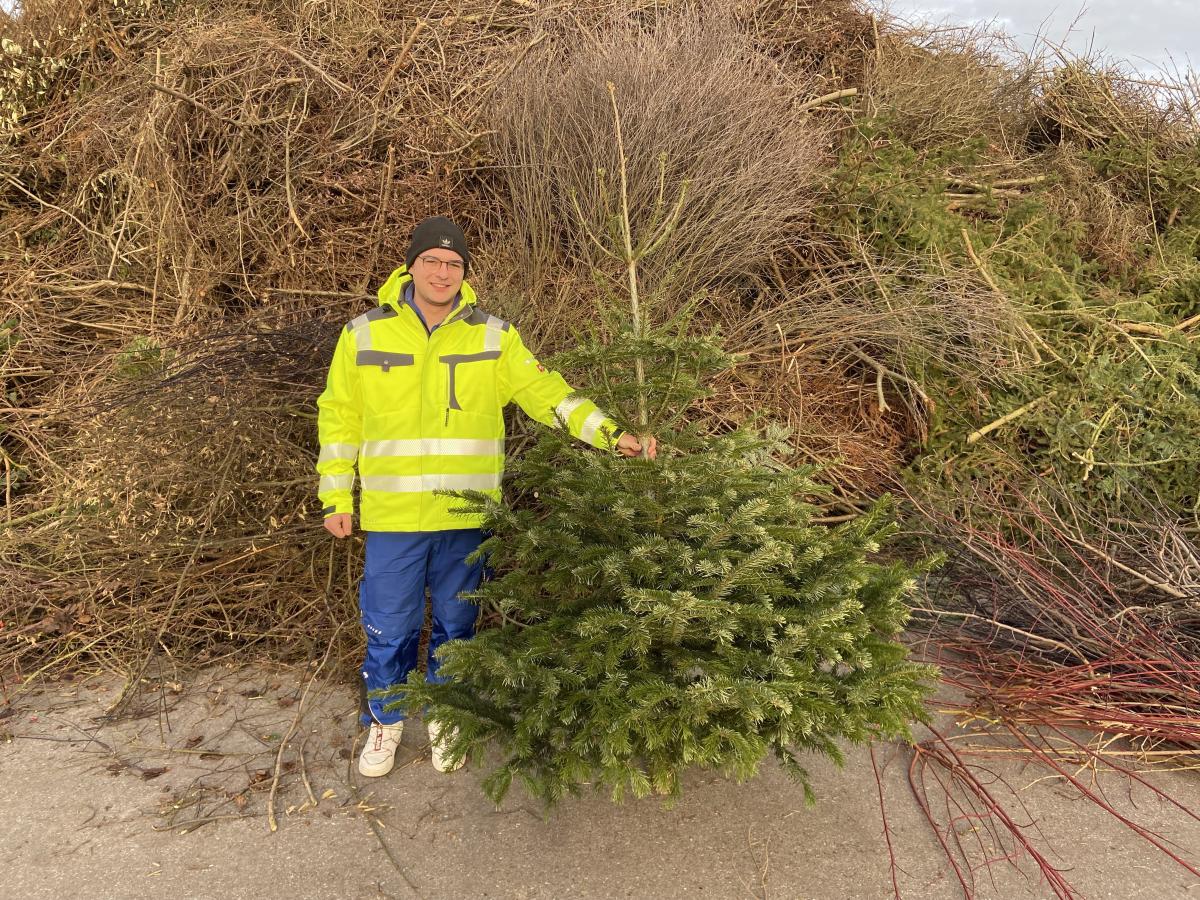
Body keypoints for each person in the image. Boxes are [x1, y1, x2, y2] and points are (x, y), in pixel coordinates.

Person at [316, 216, 656, 778]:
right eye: (432, 260)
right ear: (411, 265)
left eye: (454, 264)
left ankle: (452, 715)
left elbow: (546, 393)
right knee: (389, 625)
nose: (443, 272)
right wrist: (336, 497)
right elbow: (339, 418)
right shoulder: (364, 335)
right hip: (393, 517)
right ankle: (386, 720)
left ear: (465, 274)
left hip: (466, 515)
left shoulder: (493, 335)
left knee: (456, 622)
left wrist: (612, 435)